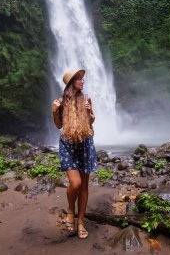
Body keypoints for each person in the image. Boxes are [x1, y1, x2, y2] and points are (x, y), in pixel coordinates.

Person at [52, 69, 98, 239]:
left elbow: (92, 121)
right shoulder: (60, 101)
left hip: (85, 144)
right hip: (68, 145)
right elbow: (58, 125)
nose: (82, 81)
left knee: (84, 186)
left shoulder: (86, 99)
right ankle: (71, 210)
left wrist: (89, 111)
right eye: (79, 79)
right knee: (75, 183)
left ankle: (80, 222)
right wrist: (54, 111)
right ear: (72, 82)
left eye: (82, 78)